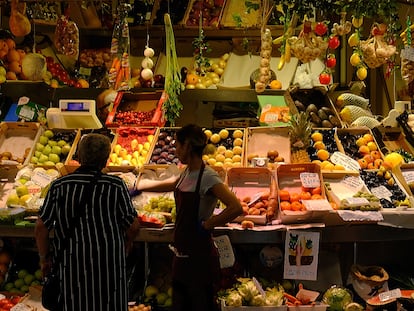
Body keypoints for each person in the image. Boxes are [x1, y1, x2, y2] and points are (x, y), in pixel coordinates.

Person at [137, 124, 243, 311]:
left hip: (199, 257)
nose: (176, 150)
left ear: (187, 146)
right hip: (182, 254)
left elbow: (235, 207)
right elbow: (172, 184)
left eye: (178, 146)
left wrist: (209, 224)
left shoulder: (208, 177)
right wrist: (141, 187)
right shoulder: (187, 172)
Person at [35, 133, 140, 311]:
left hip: (71, 269)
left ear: (80, 157)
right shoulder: (115, 185)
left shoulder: (60, 186)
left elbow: (41, 227)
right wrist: (128, 242)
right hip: (109, 270)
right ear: (106, 159)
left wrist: (44, 258)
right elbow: (133, 225)